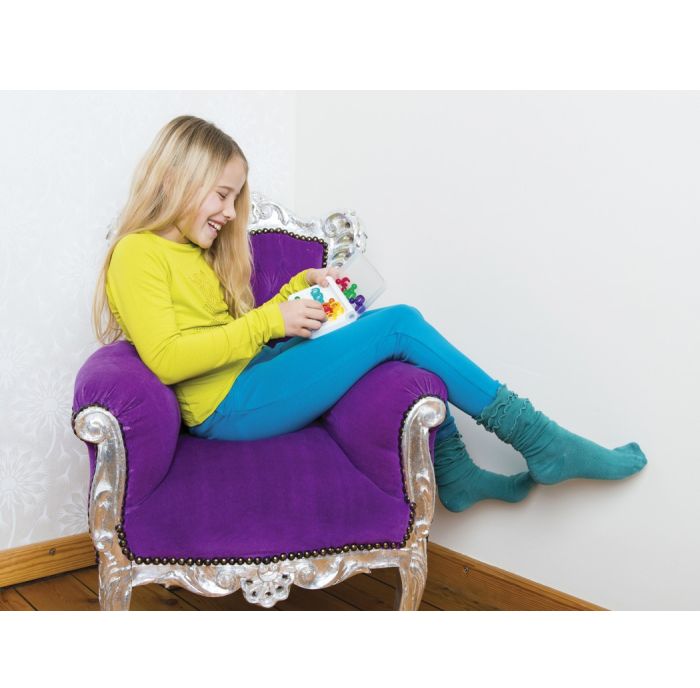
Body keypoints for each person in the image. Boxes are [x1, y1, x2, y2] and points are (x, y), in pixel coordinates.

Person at [93, 115, 648, 513]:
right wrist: (271, 323)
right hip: (226, 409)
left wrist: (293, 292)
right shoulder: (138, 253)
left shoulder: (194, 253)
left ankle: (455, 471)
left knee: (368, 330)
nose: (231, 213)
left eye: (235, 198)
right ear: (176, 179)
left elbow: (223, 334)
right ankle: (540, 439)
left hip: (247, 378)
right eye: (222, 196)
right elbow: (167, 359)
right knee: (399, 324)